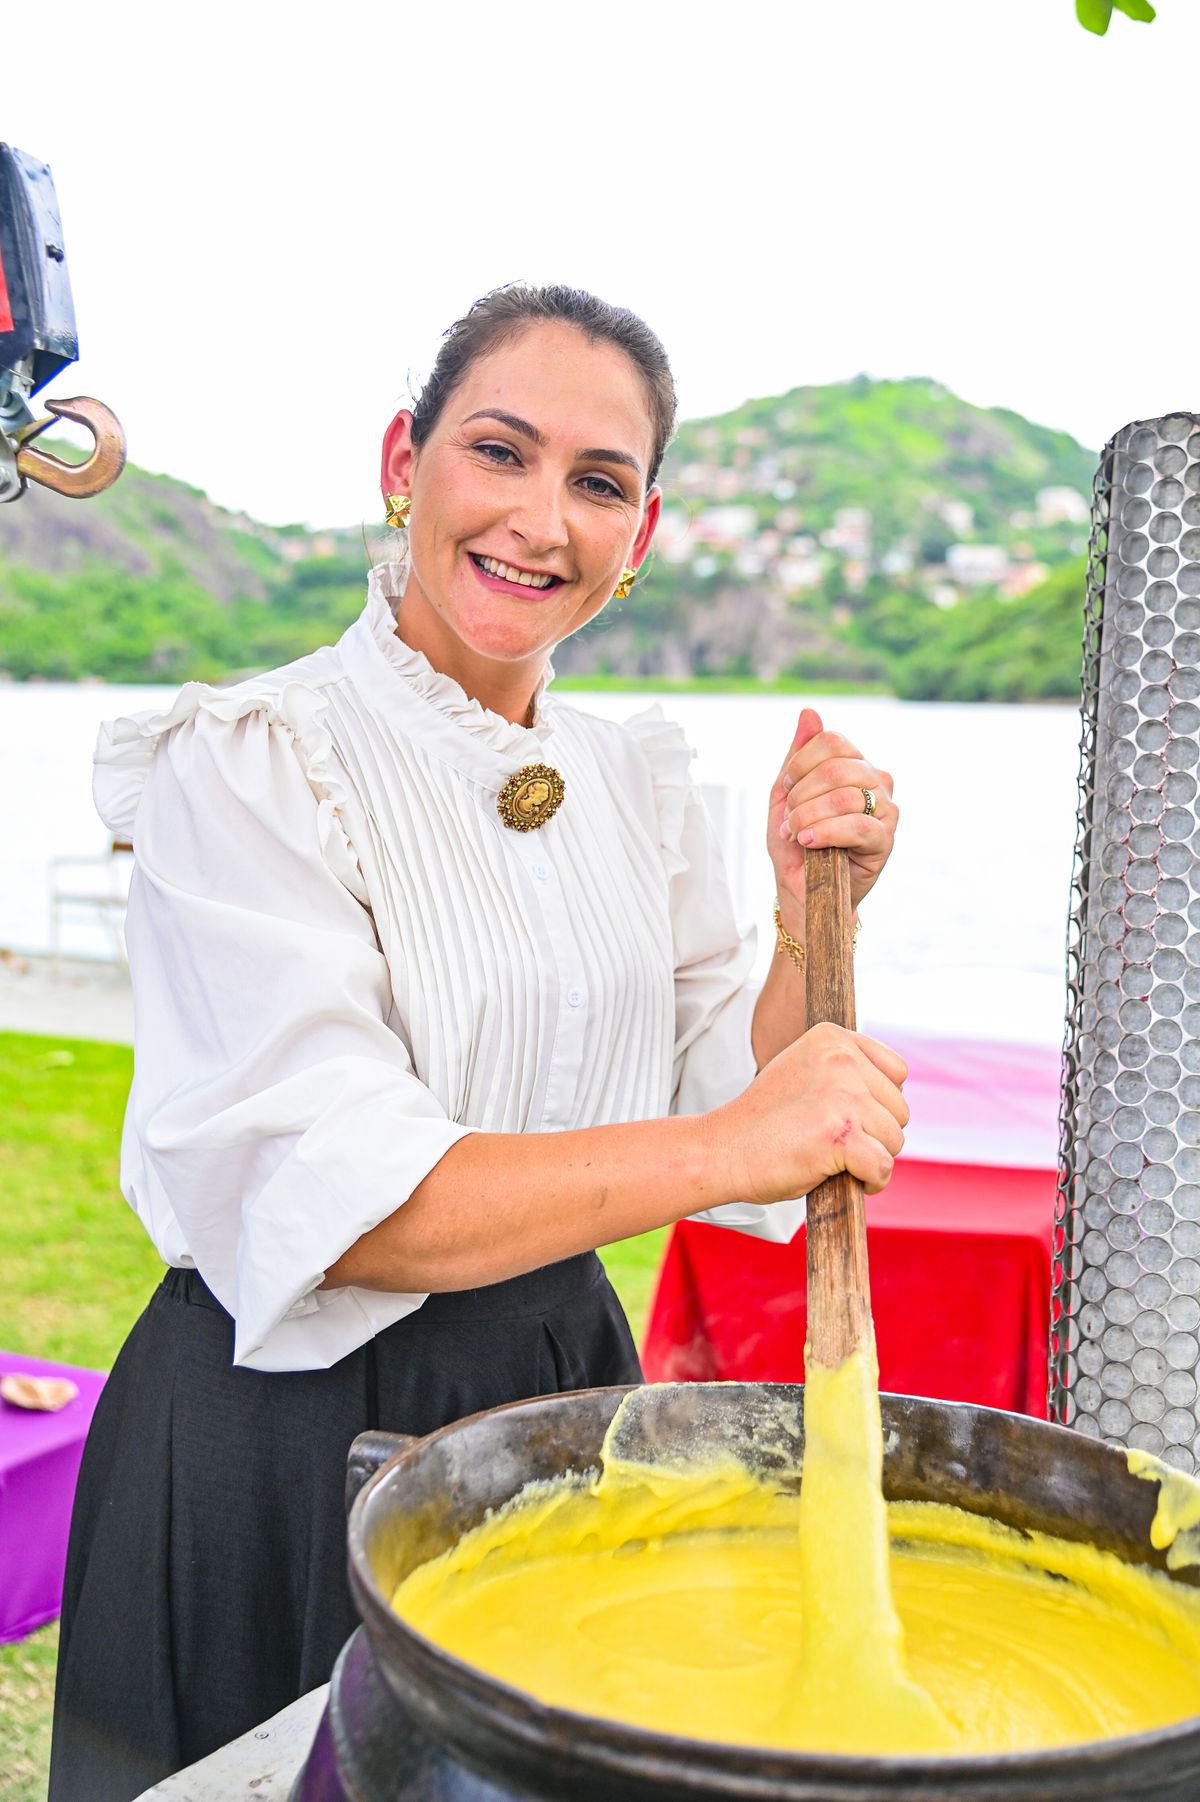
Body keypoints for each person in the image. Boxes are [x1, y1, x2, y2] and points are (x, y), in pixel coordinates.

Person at [48, 284, 904, 1800]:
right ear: (405, 460)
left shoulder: (635, 784)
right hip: (274, 1439)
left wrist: (797, 919)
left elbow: (738, 1094)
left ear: (639, 537)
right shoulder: (251, 759)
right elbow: (353, 1200)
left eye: (597, 482)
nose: (539, 518)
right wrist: (735, 1138)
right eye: (498, 451)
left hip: (556, 1398)